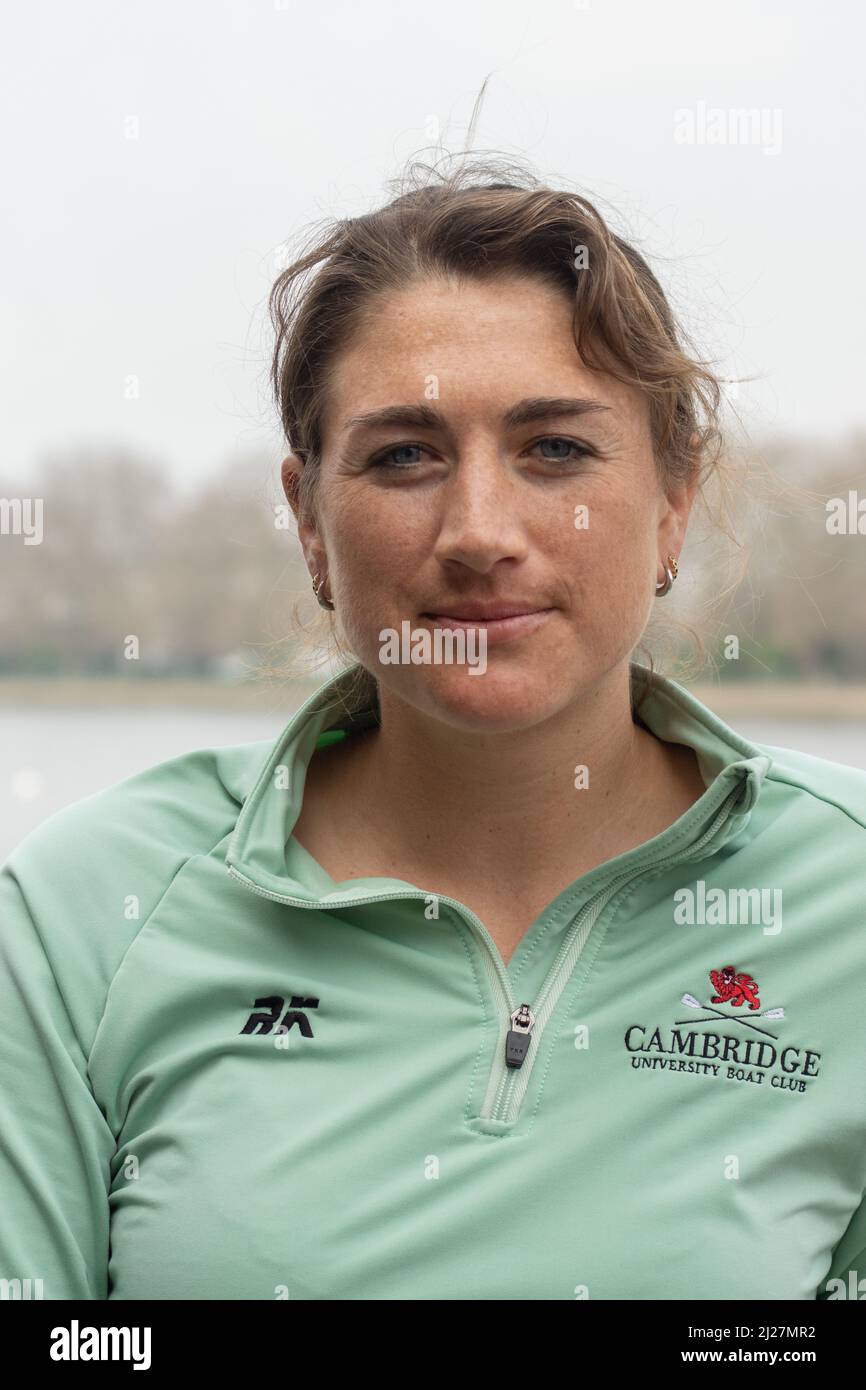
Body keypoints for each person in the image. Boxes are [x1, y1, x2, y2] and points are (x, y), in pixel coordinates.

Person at [1, 157, 865, 1302]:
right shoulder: (78, 918)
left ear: (672, 505)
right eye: (403, 455)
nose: (477, 530)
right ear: (309, 521)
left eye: (553, 447)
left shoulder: (844, 905)